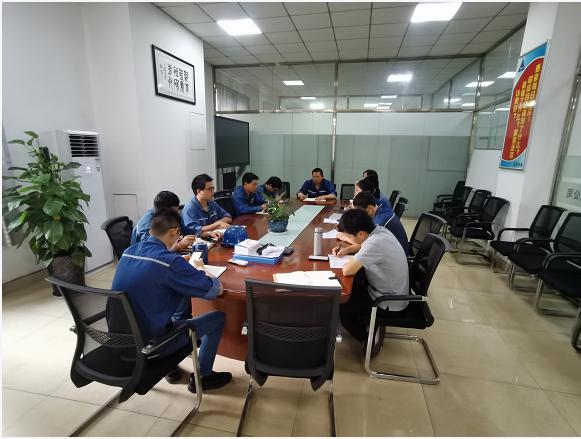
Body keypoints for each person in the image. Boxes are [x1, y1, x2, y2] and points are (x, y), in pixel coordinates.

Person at [110, 210, 232, 391]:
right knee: (217, 318)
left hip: (120, 342)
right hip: (152, 346)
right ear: (175, 232)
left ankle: (175, 364)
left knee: (170, 300)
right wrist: (198, 270)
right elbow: (215, 290)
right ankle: (203, 376)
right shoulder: (170, 262)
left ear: (151, 230)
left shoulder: (128, 252)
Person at [336, 209, 409, 343]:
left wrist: (349, 260)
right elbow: (362, 246)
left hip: (387, 301)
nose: (350, 240)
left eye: (350, 237)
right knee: (355, 284)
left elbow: (347, 270)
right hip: (392, 290)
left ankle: (367, 341)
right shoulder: (380, 231)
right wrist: (347, 250)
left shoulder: (375, 243)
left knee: (343, 309)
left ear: (361, 233)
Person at [348, 186, 409, 256]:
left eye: (360, 212)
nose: (359, 215)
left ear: (370, 209)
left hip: (397, 256)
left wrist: (346, 237)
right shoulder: (380, 211)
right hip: (390, 250)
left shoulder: (381, 223)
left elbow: (366, 244)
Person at [183, 174, 232, 238]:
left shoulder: (211, 203)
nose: (213, 192)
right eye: (209, 189)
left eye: (213, 188)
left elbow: (228, 217)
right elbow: (193, 231)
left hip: (216, 237)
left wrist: (218, 223)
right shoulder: (189, 209)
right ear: (199, 191)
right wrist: (216, 225)